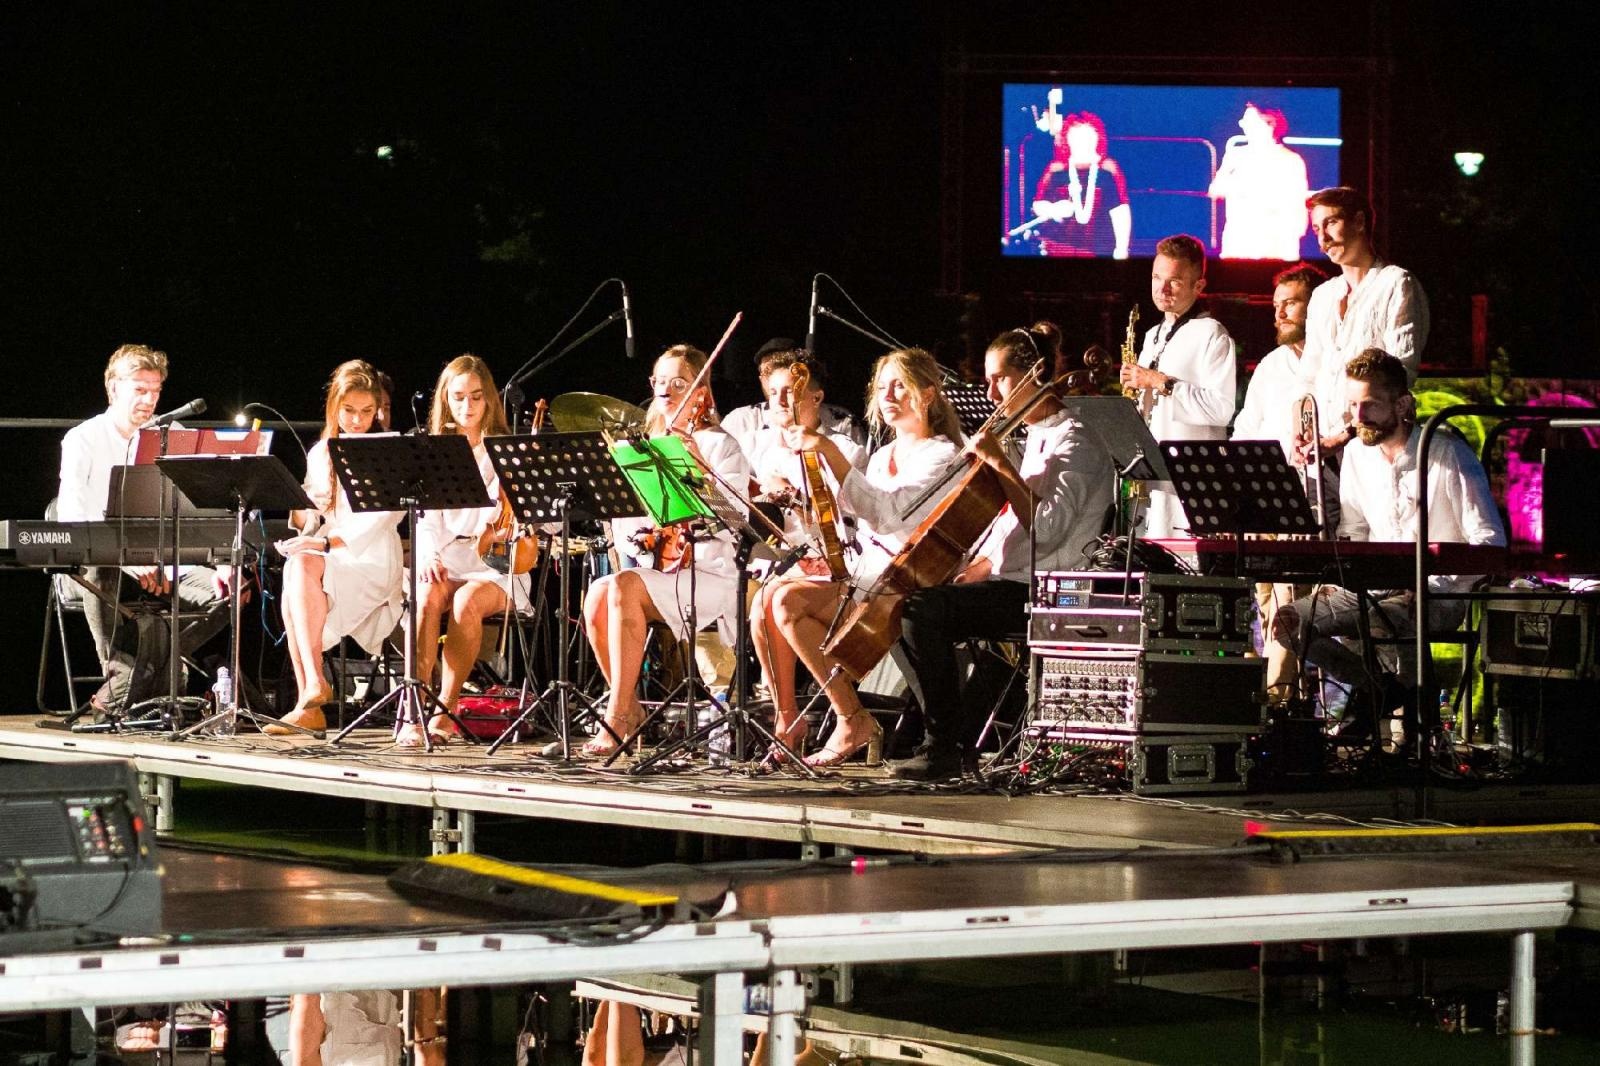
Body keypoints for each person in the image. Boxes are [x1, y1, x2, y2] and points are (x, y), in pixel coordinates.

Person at [890, 324, 1116, 781]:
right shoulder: (1033, 436)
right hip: (1009, 579)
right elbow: (1012, 524)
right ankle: (952, 737)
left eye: (999, 379)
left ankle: (943, 744)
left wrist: (999, 463)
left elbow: (1047, 530)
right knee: (894, 606)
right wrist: (983, 561)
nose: (991, 392)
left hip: (1049, 592)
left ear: (1033, 373)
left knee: (919, 613)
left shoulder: (1077, 441)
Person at [1272, 349, 1504, 740]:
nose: (1358, 417)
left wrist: (1436, 582)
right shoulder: (1358, 459)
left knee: (1386, 616)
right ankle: (1377, 689)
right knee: (1288, 623)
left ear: (1402, 404)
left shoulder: (1446, 454)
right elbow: (1356, 531)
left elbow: (1489, 541)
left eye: (1370, 405)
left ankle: (1410, 722)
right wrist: (1344, 576)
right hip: (1376, 589)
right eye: (1352, 406)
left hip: (1438, 594)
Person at [753, 347, 963, 768]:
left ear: (928, 394)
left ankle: (850, 718)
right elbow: (857, 521)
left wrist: (826, 452)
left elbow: (887, 516)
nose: (888, 395)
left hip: (906, 583)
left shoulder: (942, 455)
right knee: (768, 599)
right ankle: (805, 717)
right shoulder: (884, 455)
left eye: (900, 385)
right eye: (882, 386)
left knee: (785, 601)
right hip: (868, 576)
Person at [581, 344, 753, 757]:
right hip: (659, 572)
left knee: (621, 586)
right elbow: (626, 529)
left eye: (679, 383)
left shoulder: (720, 445)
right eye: (660, 382)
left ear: (701, 392)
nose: (667, 390)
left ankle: (619, 716)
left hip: (710, 576)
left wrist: (701, 473)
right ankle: (630, 706)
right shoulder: (641, 447)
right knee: (596, 596)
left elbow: (736, 522)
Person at [56, 343, 231, 716]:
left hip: (165, 562)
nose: (149, 399)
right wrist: (128, 561)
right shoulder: (83, 439)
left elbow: (198, 510)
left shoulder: (174, 434)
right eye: (140, 389)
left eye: (156, 391)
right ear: (113, 389)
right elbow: (73, 517)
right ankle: (129, 676)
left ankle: (143, 675)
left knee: (236, 589)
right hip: (100, 566)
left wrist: (223, 562)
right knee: (100, 568)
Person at [265, 360, 405, 734]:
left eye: (366, 412)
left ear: (377, 410)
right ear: (334, 408)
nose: (358, 420)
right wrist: (304, 521)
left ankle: (310, 695)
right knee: (296, 565)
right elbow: (316, 514)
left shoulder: (389, 449)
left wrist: (323, 540)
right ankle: (311, 689)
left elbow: (383, 519)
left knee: (303, 565)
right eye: (349, 411)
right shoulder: (321, 451)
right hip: (330, 555)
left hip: (372, 559)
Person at [408, 354, 529, 747]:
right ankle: (414, 703)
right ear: (446, 400)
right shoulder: (437, 451)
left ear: (489, 400)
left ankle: (448, 703)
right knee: (426, 594)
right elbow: (425, 520)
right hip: (448, 553)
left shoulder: (505, 450)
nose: (468, 406)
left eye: (476, 397)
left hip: (495, 564)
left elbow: (525, 521)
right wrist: (429, 557)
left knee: (465, 602)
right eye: (458, 397)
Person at [1231, 263, 1328, 704]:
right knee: (1266, 604)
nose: (1280, 314)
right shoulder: (1271, 365)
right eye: (1276, 306)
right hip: (1263, 496)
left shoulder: (1333, 360)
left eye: (1291, 304)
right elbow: (1246, 431)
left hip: (1310, 500)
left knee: (1290, 604)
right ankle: (1268, 699)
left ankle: (1277, 702)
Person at [1118, 234, 1238, 538]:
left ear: (1198, 287)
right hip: (1153, 478)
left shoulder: (1212, 333)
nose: (1162, 288)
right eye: (1157, 277)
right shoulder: (1152, 335)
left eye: (1175, 281)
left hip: (1192, 479)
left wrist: (1158, 381)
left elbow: (1221, 410)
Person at [1299, 186, 1430, 457]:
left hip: (1375, 445)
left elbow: (1400, 374)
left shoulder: (1396, 283)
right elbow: (1309, 374)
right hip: (1323, 447)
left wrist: (1345, 435)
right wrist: (1303, 429)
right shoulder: (1323, 295)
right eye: (1316, 229)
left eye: (1331, 223)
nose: (1323, 238)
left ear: (1359, 222)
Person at [721, 337, 865, 460]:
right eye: (774, 392)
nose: (779, 401)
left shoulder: (847, 450)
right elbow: (716, 488)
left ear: (817, 398)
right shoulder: (752, 444)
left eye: (788, 391)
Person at [1207, 103, 1311, 261]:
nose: (1242, 124)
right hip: (1239, 243)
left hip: (1276, 247)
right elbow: (1215, 190)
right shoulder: (1236, 155)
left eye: (1249, 120)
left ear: (1269, 124)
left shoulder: (1290, 161)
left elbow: (1296, 210)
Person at [1030, 112, 1131, 259]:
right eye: (1077, 137)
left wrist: (1122, 248)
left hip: (1100, 250)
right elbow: (1037, 205)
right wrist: (1052, 209)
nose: (1083, 141)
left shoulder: (1108, 170)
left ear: (1098, 138)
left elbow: (1120, 211)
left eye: (1088, 136)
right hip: (1057, 248)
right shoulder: (1056, 169)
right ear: (1067, 139)